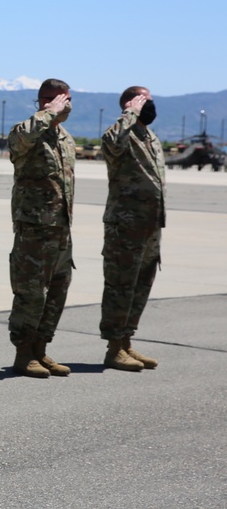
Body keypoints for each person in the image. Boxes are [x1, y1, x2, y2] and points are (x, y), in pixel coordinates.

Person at [7, 79, 76, 378]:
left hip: (61, 230)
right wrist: (48, 113)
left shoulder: (67, 139)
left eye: (63, 100)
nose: (58, 105)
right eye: (49, 100)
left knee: (58, 292)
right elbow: (20, 140)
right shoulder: (26, 132)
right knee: (31, 294)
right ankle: (24, 353)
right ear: (40, 102)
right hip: (34, 230)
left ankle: (41, 349)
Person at [99, 86, 164, 371]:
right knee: (120, 286)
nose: (148, 104)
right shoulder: (120, 133)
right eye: (142, 99)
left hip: (150, 226)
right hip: (125, 226)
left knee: (140, 286)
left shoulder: (151, 137)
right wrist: (129, 114)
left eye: (149, 100)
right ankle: (114, 348)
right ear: (129, 104)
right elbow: (111, 143)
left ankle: (126, 342)